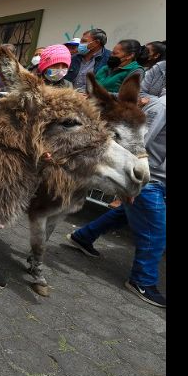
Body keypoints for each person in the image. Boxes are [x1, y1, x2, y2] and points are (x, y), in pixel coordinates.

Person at [67, 94, 166, 308]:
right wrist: (131, 183)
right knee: (156, 233)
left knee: (125, 215)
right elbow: (136, 144)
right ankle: (143, 280)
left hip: (158, 180)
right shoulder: (162, 107)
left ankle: (83, 237)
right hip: (148, 179)